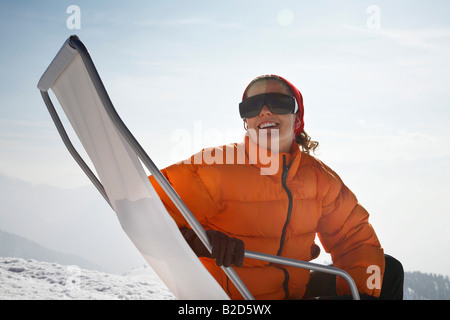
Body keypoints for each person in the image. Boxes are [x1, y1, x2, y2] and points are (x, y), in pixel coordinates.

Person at [149, 74, 404, 300]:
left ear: (297, 120)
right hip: (239, 297)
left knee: (387, 271)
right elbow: (149, 211)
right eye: (252, 106)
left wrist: (365, 294)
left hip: (294, 291)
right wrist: (195, 240)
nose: (265, 111)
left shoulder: (317, 177)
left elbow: (353, 237)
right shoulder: (215, 167)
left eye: (279, 103)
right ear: (246, 121)